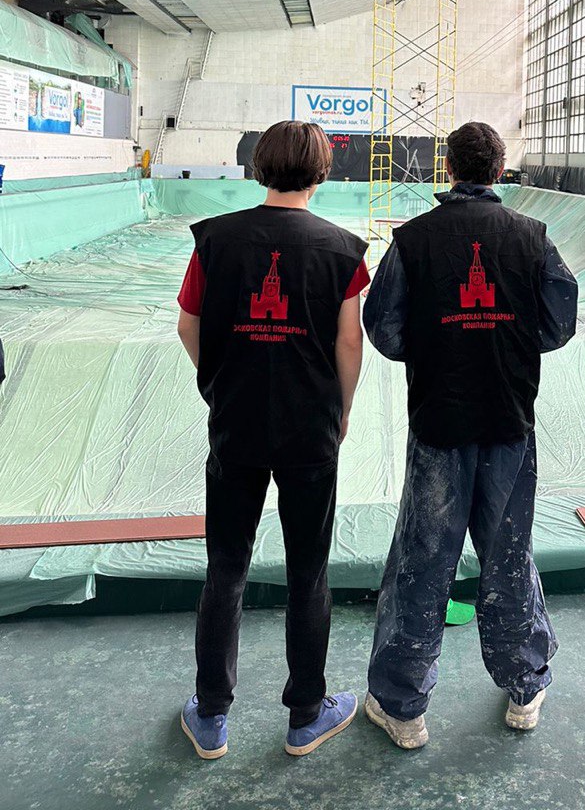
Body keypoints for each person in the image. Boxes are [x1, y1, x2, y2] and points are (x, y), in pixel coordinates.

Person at [362, 121, 578, 748]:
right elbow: (558, 322)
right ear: (500, 169)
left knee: (424, 560)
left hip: (440, 420)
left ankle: (404, 707)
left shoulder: (413, 239)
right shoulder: (532, 236)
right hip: (508, 418)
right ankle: (524, 688)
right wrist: (502, 344)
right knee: (508, 553)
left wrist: (442, 347)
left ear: (449, 168)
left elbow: (384, 328)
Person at [176, 120, 368, 760]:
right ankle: (306, 714)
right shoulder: (344, 250)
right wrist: (341, 408)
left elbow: (188, 324)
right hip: (310, 427)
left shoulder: (214, 240)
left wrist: (218, 385)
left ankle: (211, 712)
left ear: (259, 166)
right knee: (308, 573)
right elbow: (349, 341)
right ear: (322, 171)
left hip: (236, 423)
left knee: (226, 568)